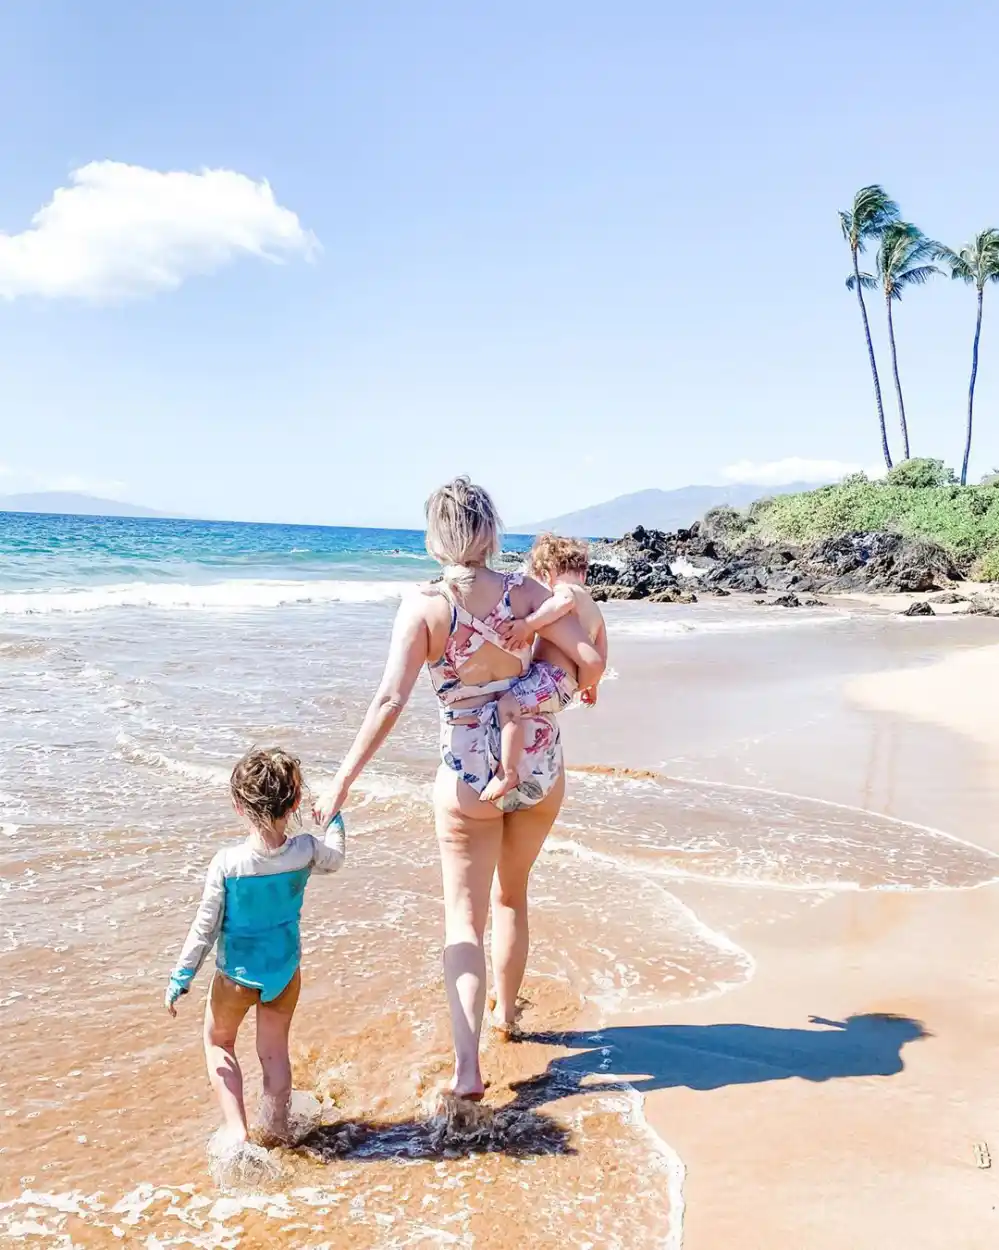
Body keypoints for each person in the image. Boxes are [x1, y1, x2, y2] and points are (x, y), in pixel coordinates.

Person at [313, 477, 604, 1099]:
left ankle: (469, 1067)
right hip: (539, 761)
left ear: (433, 535)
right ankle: (506, 1019)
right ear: (491, 530)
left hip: (469, 773)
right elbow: (583, 663)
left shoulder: (424, 606)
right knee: (512, 898)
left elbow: (391, 698)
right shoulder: (529, 591)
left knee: (462, 922)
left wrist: (341, 782)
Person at [165, 747, 347, 1150]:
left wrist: (181, 977)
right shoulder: (304, 850)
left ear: (238, 806)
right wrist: (334, 817)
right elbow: (336, 859)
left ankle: (237, 1130)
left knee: (218, 1043)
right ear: (296, 802)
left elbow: (205, 928)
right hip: (284, 972)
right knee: (274, 1053)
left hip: (235, 976)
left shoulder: (228, 864)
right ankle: (277, 1132)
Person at [480, 533, 608, 804]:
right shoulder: (595, 609)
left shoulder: (565, 592)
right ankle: (526, 765)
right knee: (522, 712)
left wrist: (528, 624)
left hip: (551, 679)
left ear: (548, 572)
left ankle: (508, 773)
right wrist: (591, 686)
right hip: (567, 685)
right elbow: (600, 652)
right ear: (583, 573)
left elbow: (560, 603)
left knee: (508, 707)